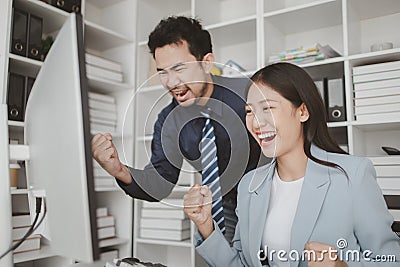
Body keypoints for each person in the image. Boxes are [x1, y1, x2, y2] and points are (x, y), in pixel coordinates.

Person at [184, 62, 400, 266]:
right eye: (250, 111)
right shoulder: (250, 184)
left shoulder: (353, 175)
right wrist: (206, 225)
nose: (256, 122)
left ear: (303, 111)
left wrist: (343, 265)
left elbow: (391, 259)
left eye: (267, 108)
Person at [91, 16, 265, 242]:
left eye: (179, 68)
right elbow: (161, 180)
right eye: (163, 71)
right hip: (224, 206)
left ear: (207, 62)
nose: (171, 82)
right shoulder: (168, 121)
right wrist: (119, 171)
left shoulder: (248, 93)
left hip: (269, 196)